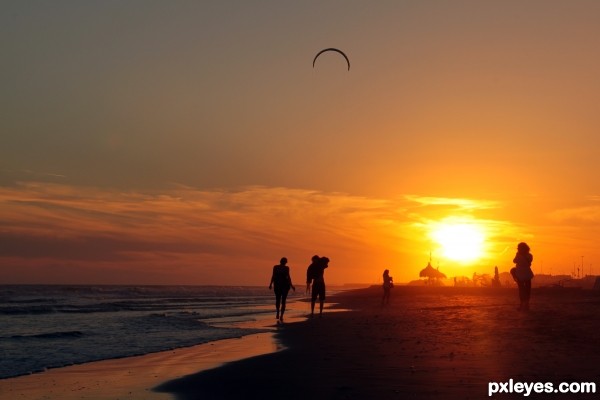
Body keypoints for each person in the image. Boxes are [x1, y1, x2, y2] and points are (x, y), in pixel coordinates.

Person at [510, 242, 534, 311]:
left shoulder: (518, 256)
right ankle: (526, 305)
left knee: (521, 290)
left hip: (520, 274)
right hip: (527, 274)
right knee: (527, 290)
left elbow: (514, 261)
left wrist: (518, 255)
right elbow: (529, 262)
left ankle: (522, 305)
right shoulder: (529, 255)